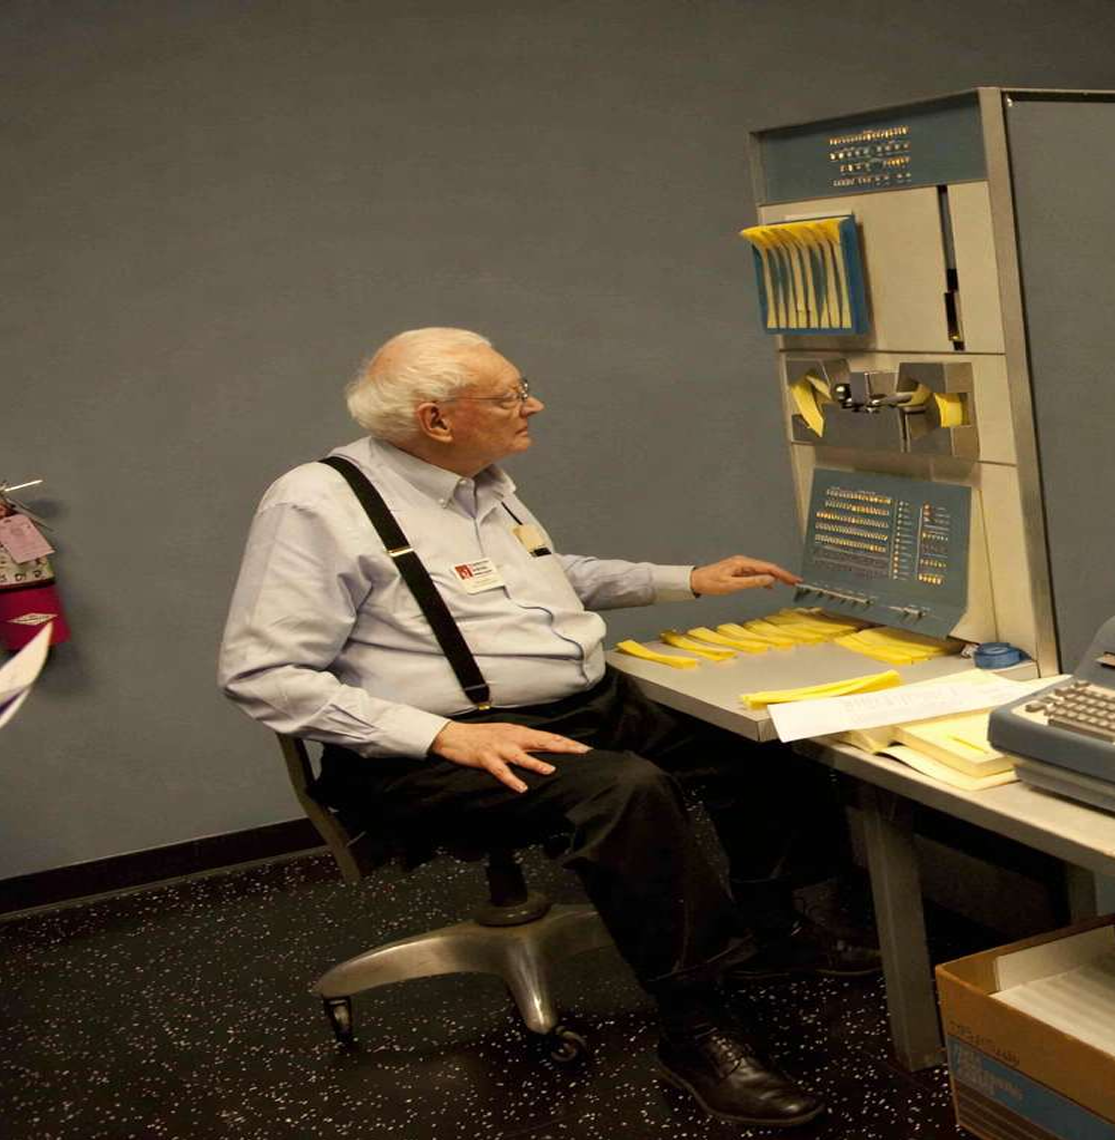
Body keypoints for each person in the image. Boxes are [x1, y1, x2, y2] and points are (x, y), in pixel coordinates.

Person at [219, 327, 867, 1129]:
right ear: (437, 419)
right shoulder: (316, 504)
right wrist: (446, 737)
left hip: (574, 707)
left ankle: (773, 933)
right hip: (427, 748)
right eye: (508, 396)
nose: (534, 405)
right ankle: (698, 1029)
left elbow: (542, 579)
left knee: (764, 734)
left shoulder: (479, 479)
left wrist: (684, 580)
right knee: (625, 795)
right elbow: (261, 675)